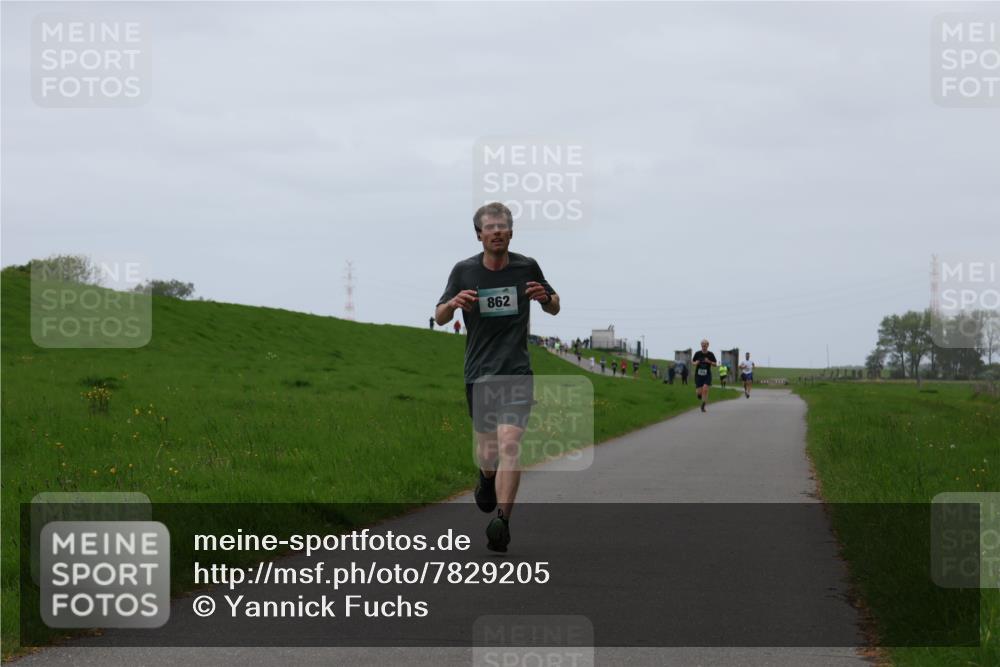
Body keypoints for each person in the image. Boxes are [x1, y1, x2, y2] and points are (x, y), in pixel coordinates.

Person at [435, 202, 559, 552]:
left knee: (509, 445)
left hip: (517, 372)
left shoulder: (526, 266)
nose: (497, 232)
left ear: (511, 232)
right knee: (488, 453)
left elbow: (555, 304)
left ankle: (501, 523)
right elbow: (440, 315)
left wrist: (546, 298)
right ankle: (486, 478)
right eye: (490, 227)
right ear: (479, 235)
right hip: (480, 374)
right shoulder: (464, 271)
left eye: (503, 226)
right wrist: (454, 303)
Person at [692, 339, 717, 412]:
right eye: (702, 345)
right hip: (698, 375)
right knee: (699, 392)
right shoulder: (697, 353)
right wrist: (695, 363)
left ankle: (703, 405)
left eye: (705, 345)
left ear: (708, 345)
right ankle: (700, 395)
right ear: (701, 346)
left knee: (705, 389)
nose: (704, 347)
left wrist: (708, 361)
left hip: (707, 375)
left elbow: (715, 364)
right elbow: (693, 362)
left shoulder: (710, 354)